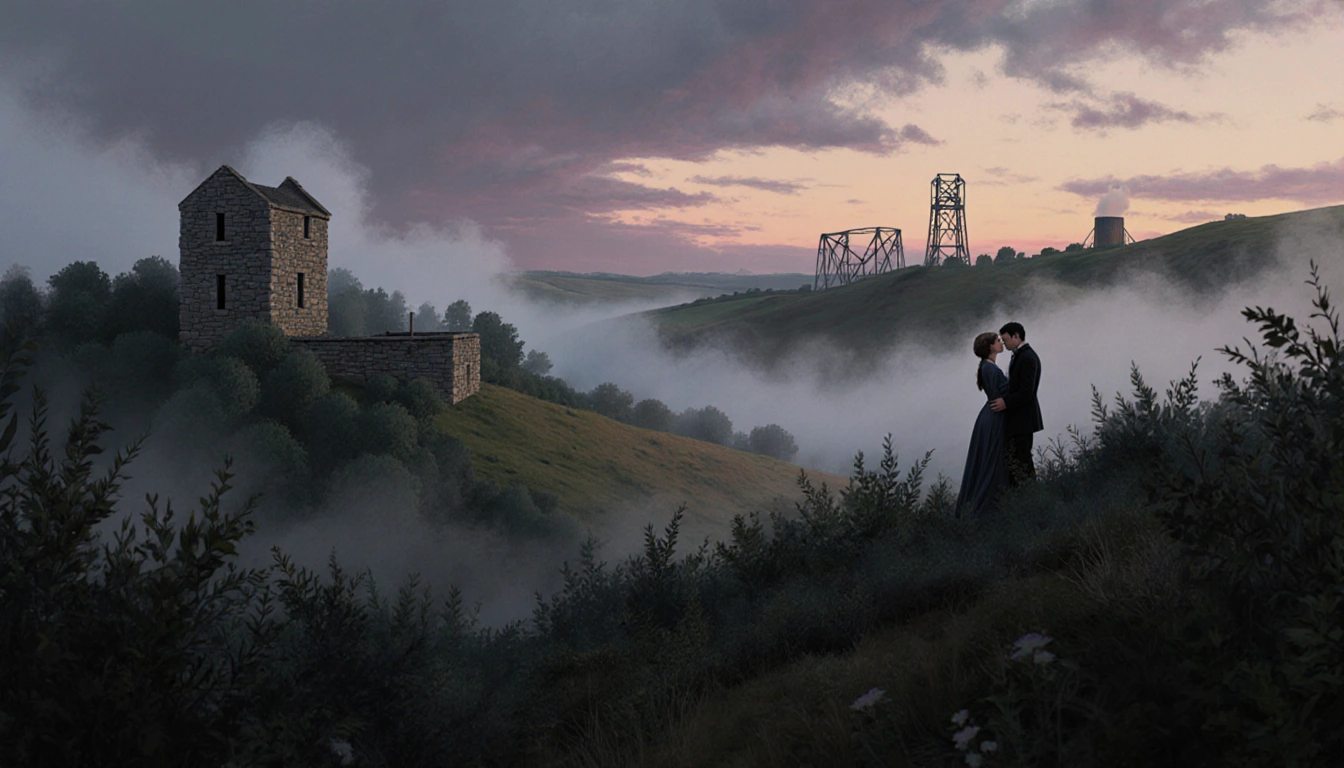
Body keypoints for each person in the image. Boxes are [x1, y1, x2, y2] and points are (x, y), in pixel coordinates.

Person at [957, 331, 1009, 517]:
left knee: (989, 459)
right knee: (991, 460)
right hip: (994, 416)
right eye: (997, 341)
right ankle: (986, 509)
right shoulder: (990, 369)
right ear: (990, 347)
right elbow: (1001, 393)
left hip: (990, 415)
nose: (1001, 343)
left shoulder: (988, 367)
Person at [990, 321, 1043, 485]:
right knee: (1018, 460)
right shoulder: (1021, 355)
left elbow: (1027, 392)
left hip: (1023, 419)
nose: (1004, 344)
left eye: (1006, 340)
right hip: (1020, 419)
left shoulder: (1027, 357)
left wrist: (1005, 402)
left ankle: (1029, 498)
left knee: (1022, 461)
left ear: (1016, 336)